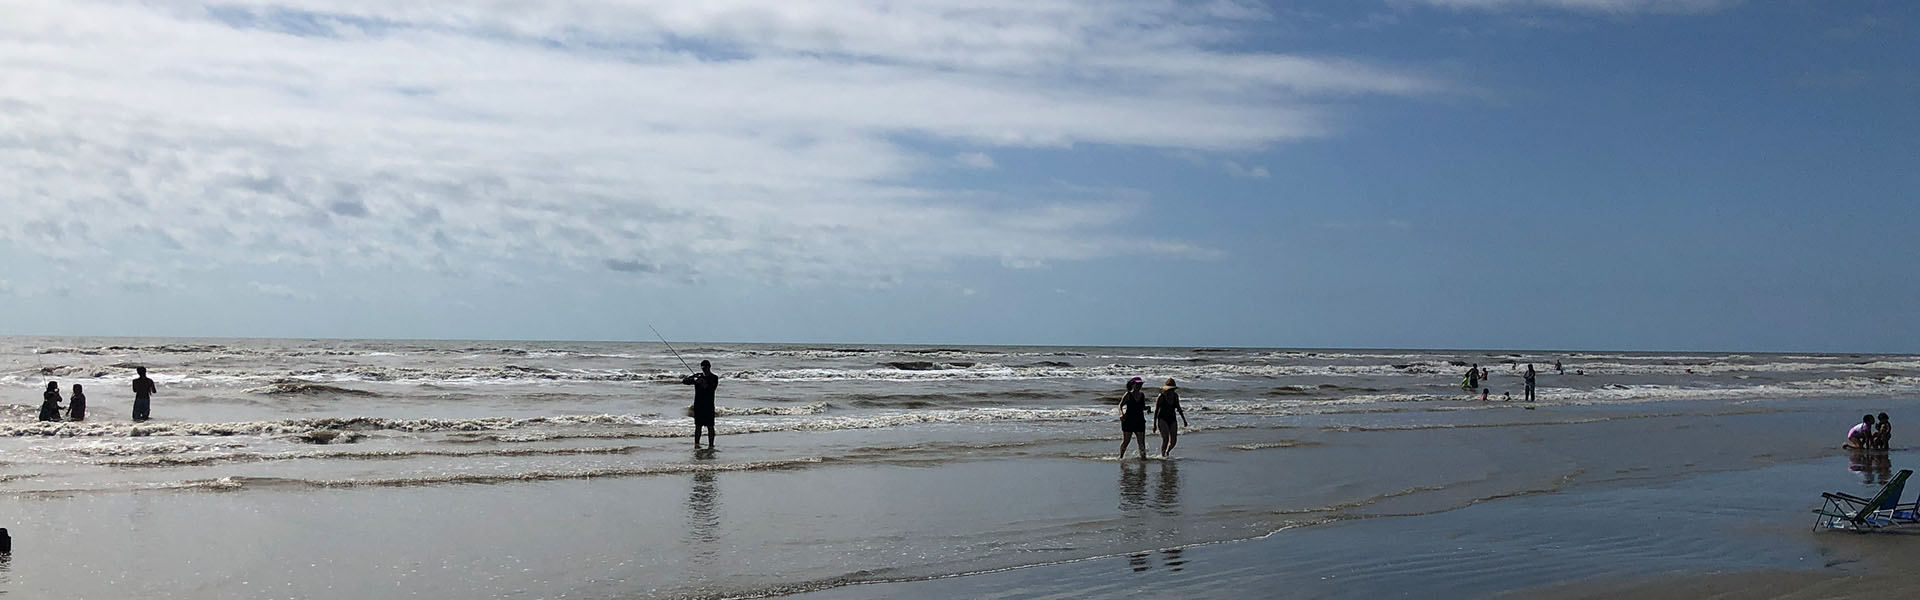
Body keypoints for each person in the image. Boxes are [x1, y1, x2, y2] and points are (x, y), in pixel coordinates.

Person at [681, 360, 720, 447]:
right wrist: (694, 379)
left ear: (709, 367)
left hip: (709, 405)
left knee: (710, 426)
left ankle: (711, 445)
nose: (704, 369)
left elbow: (711, 388)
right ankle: (696, 444)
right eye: (702, 368)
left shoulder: (714, 378)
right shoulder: (697, 376)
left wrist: (703, 383)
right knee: (698, 426)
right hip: (698, 405)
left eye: (705, 367)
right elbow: (684, 381)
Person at [1152, 378, 1188, 457]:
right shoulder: (1161, 397)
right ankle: (1163, 455)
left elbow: (1178, 408)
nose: (1171, 391)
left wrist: (1184, 420)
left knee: (1174, 441)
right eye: (1170, 389)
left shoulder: (1175, 396)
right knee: (1166, 439)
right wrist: (1154, 424)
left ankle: (1167, 451)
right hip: (1162, 418)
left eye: (1172, 389)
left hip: (1172, 418)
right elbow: (1156, 410)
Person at [1117, 377, 1150, 460]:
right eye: (1137, 384)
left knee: (1141, 442)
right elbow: (1120, 405)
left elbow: (1141, 407)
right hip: (1128, 420)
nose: (1139, 386)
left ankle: (1143, 459)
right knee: (1126, 441)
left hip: (1140, 420)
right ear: (1132, 384)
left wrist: (1147, 408)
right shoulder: (1128, 395)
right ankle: (1121, 457)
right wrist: (1121, 414)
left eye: (1140, 384)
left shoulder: (1142, 395)